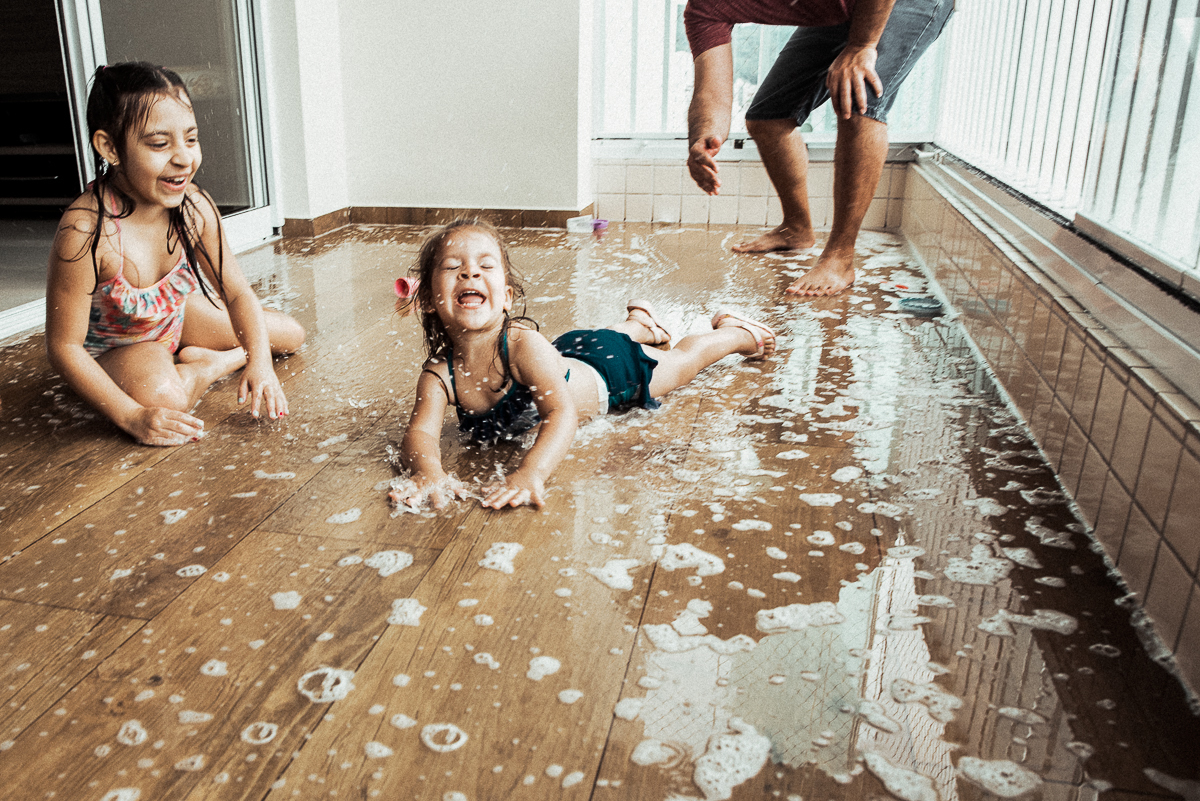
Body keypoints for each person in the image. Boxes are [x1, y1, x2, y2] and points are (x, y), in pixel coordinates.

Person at [392, 218, 777, 510]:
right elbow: (421, 434)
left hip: (609, 373)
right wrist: (429, 471)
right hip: (569, 351)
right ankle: (640, 325)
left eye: (485, 266)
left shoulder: (523, 345)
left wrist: (531, 472)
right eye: (452, 266)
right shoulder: (440, 374)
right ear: (427, 299)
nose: (470, 271)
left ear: (507, 297)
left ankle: (738, 334)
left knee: (681, 363)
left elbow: (561, 413)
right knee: (596, 340)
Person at [45, 62, 305, 446]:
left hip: (173, 319)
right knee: (166, 398)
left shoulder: (193, 207)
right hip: (120, 347)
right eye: (159, 144)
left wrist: (260, 364)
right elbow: (63, 347)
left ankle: (217, 360)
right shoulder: (86, 231)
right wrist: (132, 416)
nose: (184, 158)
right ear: (110, 147)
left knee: (290, 335)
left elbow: (235, 293)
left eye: (191, 138)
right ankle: (203, 369)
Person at [684, 0, 952, 295]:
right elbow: (711, 91)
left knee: (857, 95)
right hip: (845, 9)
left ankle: (840, 257)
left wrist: (862, 45)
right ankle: (796, 228)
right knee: (768, 117)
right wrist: (702, 138)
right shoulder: (706, 6)